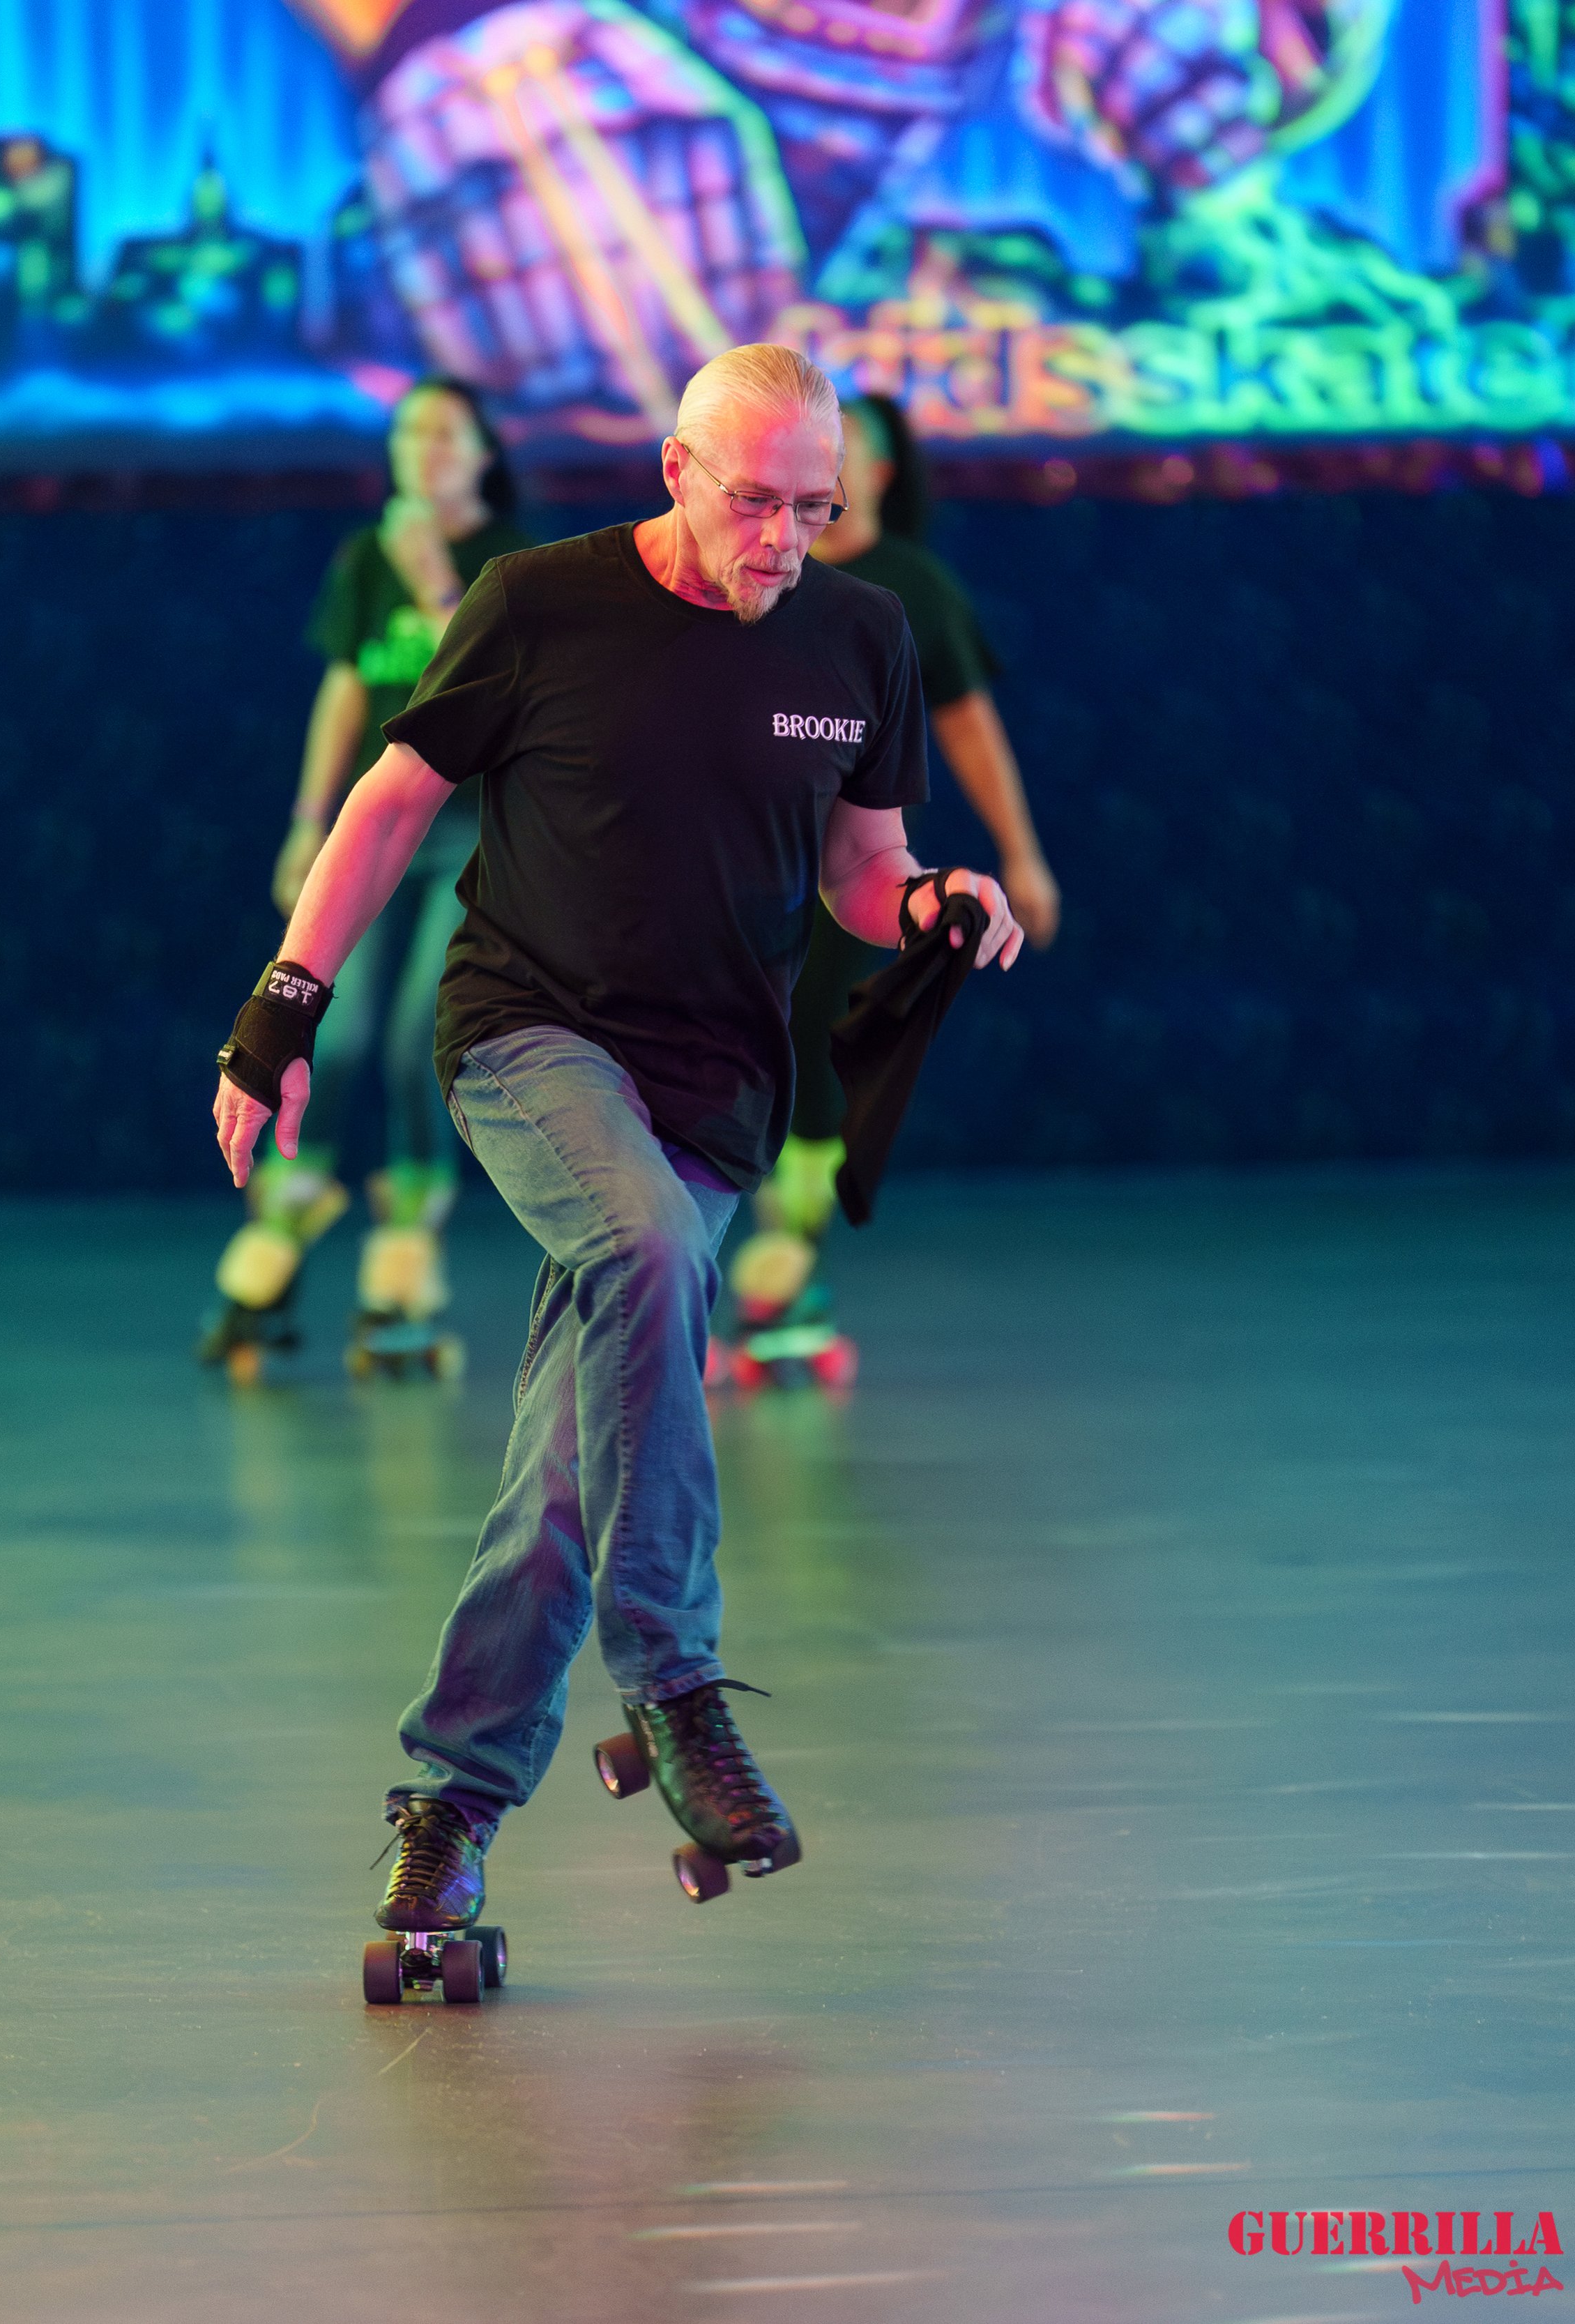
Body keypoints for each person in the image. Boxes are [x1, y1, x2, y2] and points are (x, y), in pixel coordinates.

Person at [211, 344, 1023, 1933]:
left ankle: (446, 1806)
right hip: (529, 1038)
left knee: (572, 1475)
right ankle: (677, 1680)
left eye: (814, 505)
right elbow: (382, 804)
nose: (783, 538)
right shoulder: (536, 606)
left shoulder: (859, 635)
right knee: (644, 1249)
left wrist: (929, 900)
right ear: (673, 470)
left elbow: (866, 865)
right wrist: (280, 1011)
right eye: (753, 501)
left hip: (713, 1092)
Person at [199, 379, 534, 1378]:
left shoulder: (517, 572)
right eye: (406, 432)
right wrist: (308, 823)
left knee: (411, 1044)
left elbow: (499, 689)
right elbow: (347, 689)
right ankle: (282, 1236)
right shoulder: (364, 560)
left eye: (443, 431)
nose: (421, 449)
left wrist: (438, 586)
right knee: (328, 1036)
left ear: (483, 451)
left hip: (474, 832)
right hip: (378, 829)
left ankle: (403, 1262)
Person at [722, 392, 1060, 1353]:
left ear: (868, 474)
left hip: (850, 868)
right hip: (737, 860)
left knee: (817, 1043)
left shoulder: (907, 587)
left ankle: (789, 1259)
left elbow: (966, 722)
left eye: (839, 453)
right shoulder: (750, 573)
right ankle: (712, 1267)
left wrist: (1021, 852)